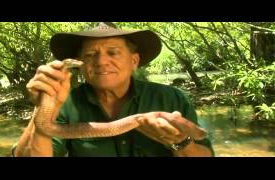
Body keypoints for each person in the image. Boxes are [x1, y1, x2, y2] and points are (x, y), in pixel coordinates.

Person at [13, 22, 214, 157]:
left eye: (113, 52)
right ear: (81, 64)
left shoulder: (172, 98)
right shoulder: (66, 103)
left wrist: (181, 143)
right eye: (90, 54)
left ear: (134, 61)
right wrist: (44, 105)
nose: (101, 61)